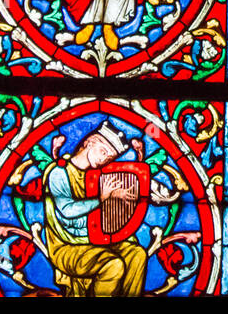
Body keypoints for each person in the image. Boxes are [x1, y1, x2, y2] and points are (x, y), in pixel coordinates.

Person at [40, 123, 161, 297]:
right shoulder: (59, 172)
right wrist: (101, 199)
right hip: (67, 245)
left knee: (137, 254)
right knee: (113, 264)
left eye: (109, 158)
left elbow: (103, 218)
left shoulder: (99, 178)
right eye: (103, 152)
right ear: (90, 142)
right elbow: (67, 211)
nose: (104, 160)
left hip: (97, 239)